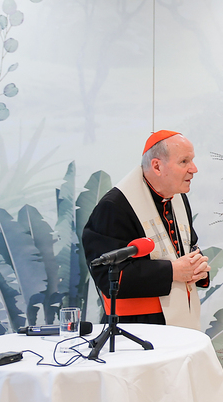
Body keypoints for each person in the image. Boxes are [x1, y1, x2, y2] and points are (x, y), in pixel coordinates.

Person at [82, 130, 210, 329]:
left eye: (192, 160)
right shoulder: (115, 206)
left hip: (181, 319)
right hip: (138, 326)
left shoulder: (177, 196)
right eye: (184, 161)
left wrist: (198, 267)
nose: (194, 169)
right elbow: (107, 274)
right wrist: (172, 271)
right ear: (157, 166)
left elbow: (188, 245)